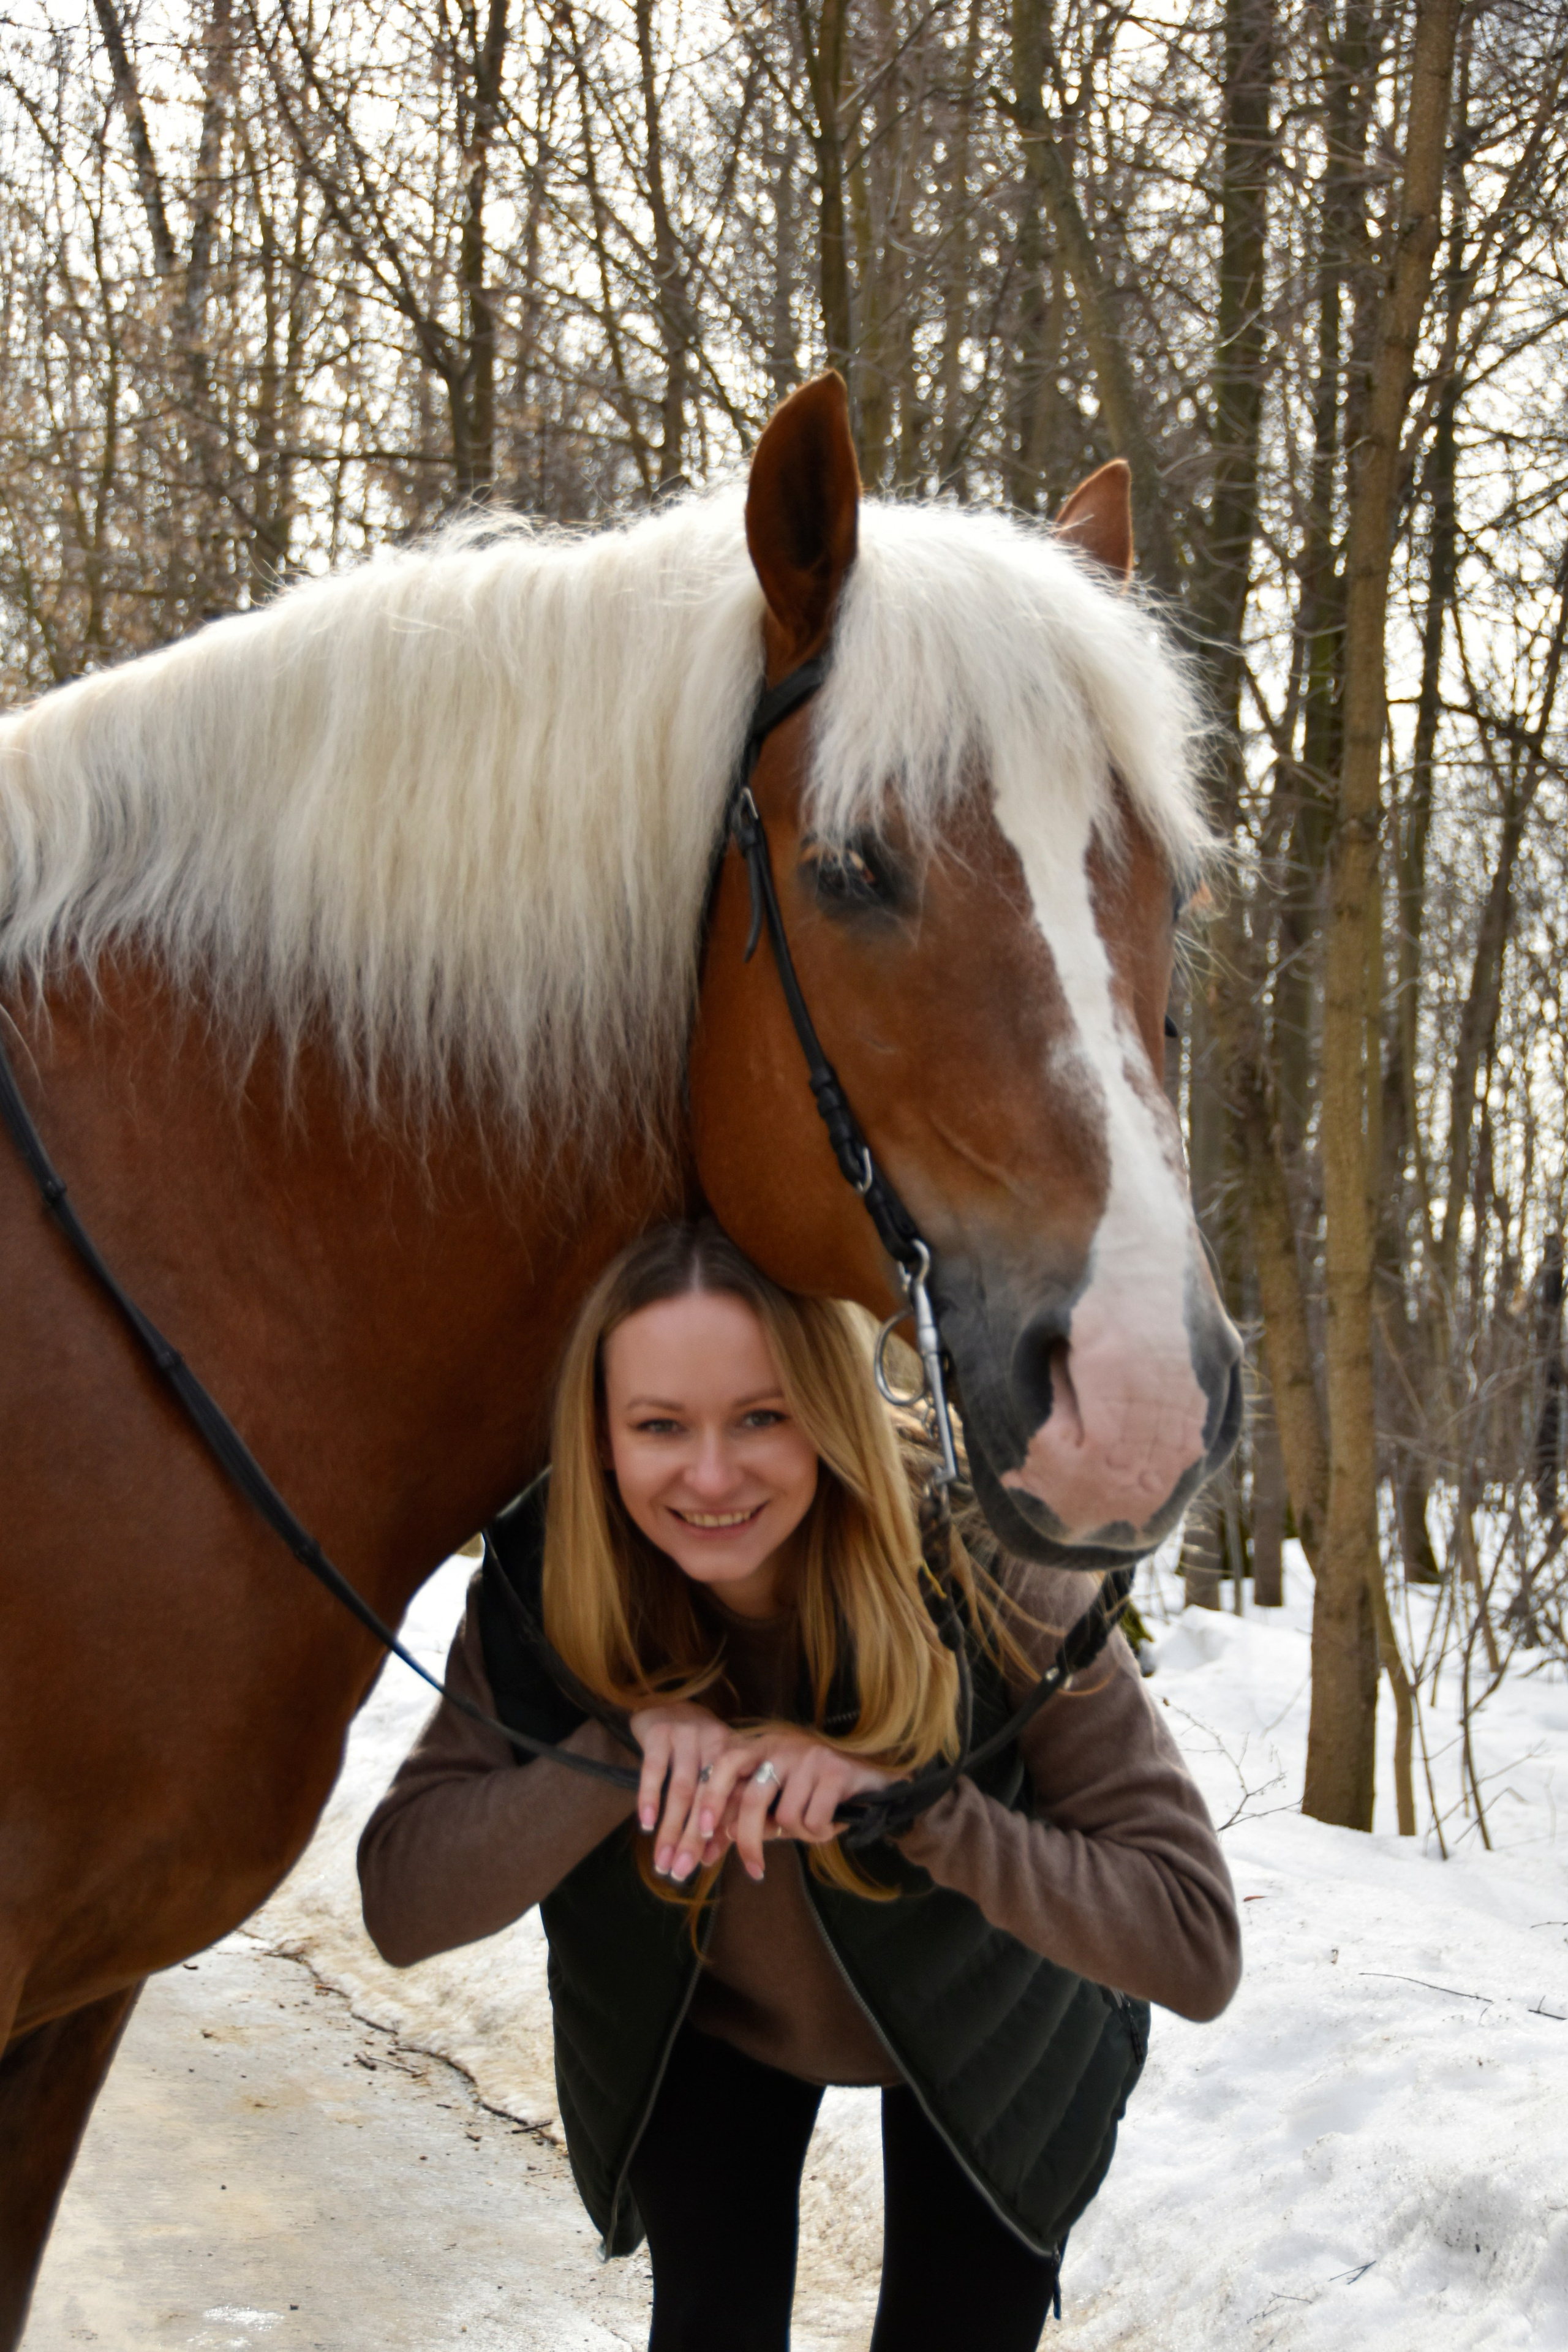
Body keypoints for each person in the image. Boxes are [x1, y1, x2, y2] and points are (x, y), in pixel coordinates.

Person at [358, 1220, 1240, 2351]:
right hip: (711, 2027)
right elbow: (400, 1903)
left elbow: (1196, 1940)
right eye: (660, 1426)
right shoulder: (549, 1581)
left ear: (829, 1408)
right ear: (602, 1435)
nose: (712, 1475)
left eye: (762, 1417)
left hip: (996, 2029)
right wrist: (617, 1751)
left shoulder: (982, 1548)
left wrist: (924, 1812)